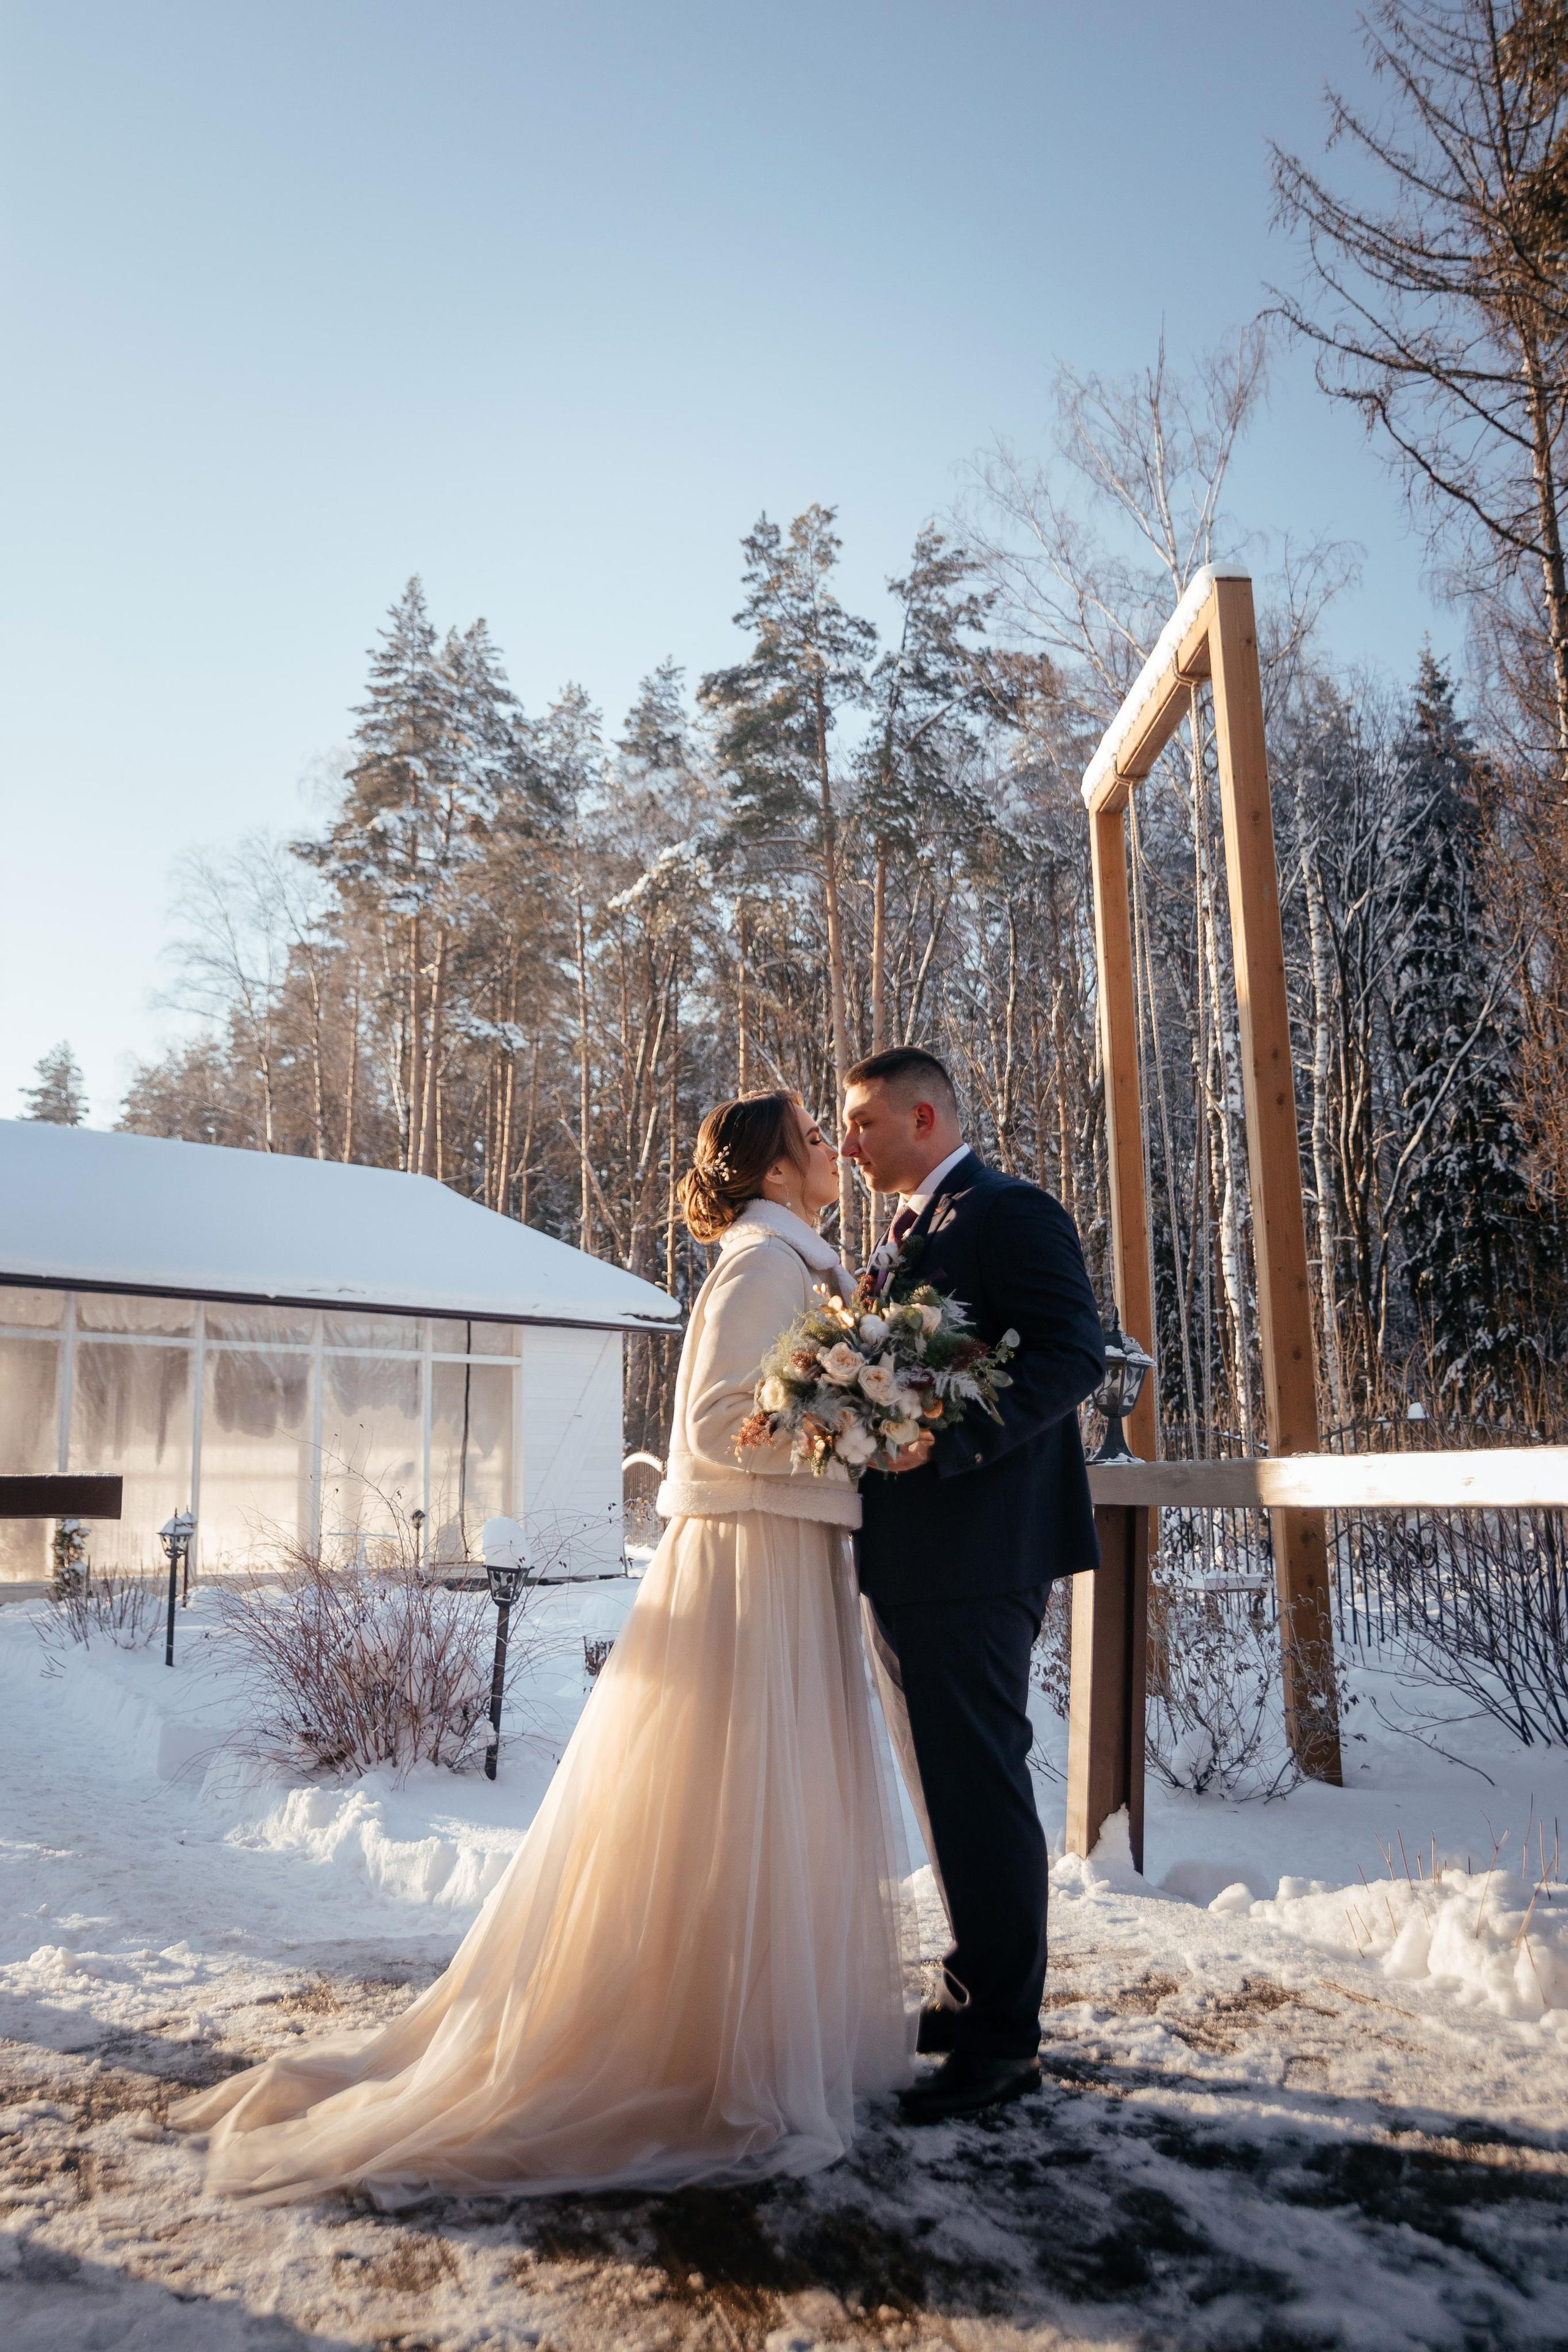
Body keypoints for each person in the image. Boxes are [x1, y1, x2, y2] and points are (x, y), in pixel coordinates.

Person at [172, 1091, 918, 2204]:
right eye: (812, 1137)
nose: (829, 1148)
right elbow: (716, 1429)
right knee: (737, 1792)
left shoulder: (795, 1264)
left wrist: (847, 1417)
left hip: (783, 1547)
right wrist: (852, 1430)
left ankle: (747, 2027)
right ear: (773, 1174)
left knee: (761, 1797)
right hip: (752, 1557)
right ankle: (709, 2048)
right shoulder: (764, 1266)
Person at [841, 1046, 1105, 2123]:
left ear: (923, 1118)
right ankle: (972, 1989)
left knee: (981, 1787)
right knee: (943, 1788)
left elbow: (1073, 1355)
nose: (847, 1144)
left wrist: (946, 1444)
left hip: (979, 1552)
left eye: (861, 1122)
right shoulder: (906, 1235)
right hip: (912, 1558)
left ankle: (1004, 2042)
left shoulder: (1008, 1211)